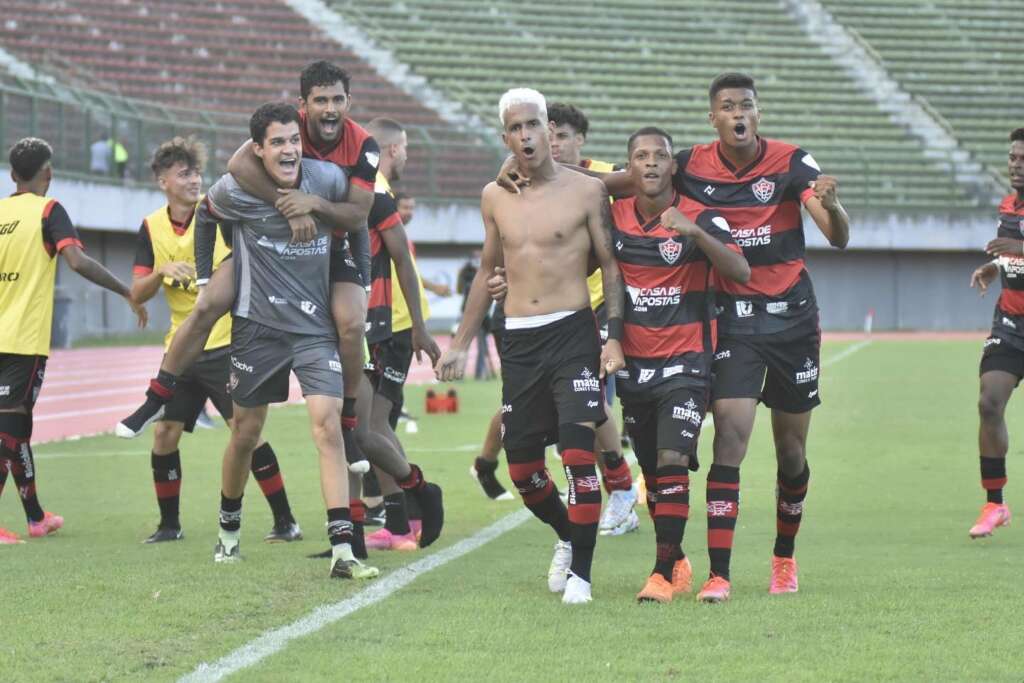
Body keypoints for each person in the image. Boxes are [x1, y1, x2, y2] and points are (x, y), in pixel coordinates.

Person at [497, 72, 851, 602]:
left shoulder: (794, 161)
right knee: (728, 437)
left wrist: (835, 205)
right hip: (735, 322)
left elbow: (836, 235)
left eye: (746, 106)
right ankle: (715, 572)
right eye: (727, 106)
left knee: (791, 452)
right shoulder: (686, 162)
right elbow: (616, 182)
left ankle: (783, 557)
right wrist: (528, 168)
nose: (738, 113)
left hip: (792, 319)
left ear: (758, 113)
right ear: (713, 117)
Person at [115, 61, 376, 480]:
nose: (330, 109)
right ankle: (155, 397)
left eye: (338, 100)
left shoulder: (362, 145)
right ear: (303, 105)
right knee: (207, 304)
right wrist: (284, 206)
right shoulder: (283, 131)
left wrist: (311, 208)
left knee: (351, 323)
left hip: (331, 245)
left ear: (350, 101)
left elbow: (358, 216)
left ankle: (347, 423)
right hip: (265, 249)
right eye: (320, 100)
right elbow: (236, 169)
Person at [436, 88, 625, 604]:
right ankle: (567, 534)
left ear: (550, 130)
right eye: (515, 129)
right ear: (506, 137)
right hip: (518, 339)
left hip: (572, 333)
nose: (525, 136)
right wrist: (457, 343)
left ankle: (582, 576)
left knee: (576, 455)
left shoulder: (587, 191)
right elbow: (487, 271)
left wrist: (612, 336)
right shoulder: (494, 196)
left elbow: (610, 266)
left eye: (533, 126)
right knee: (522, 469)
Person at [194, 102, 376, 579]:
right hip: (257, 328)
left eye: (294, 140)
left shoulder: (327, 180)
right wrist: (201, 277)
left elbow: (357, 221)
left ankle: (342, 552)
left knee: (328, 426)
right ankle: (228, 532)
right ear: (258, 149)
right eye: (277, 142)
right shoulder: (238, 189)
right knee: (245, 434)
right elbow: (205, 212)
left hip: (315, 329)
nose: (289, 149)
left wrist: (364, 281)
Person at [472, 104, 637, 536]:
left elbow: (638, 178)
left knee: (591, 407)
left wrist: (547, 171)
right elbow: (494, 262)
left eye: (561, 136)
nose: (555, 143)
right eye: (552, 135)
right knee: (535, 409)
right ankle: (491, 463)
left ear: (577, 140)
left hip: (593, 308)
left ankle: (617, 489)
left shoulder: (598, 176)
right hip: (531, 317)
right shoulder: (514, 184)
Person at [129, 136, 299, 544]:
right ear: (162, 181)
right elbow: (136, 293)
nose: (193, 180)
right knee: (164, 434)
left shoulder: (220, 212)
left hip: (227, 344)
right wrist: (161, 271)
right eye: (183, 174)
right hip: (183, 350)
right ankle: (170, 525)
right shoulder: (151, 227)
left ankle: (285, 520)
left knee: (247, 433)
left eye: (196, 173)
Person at [0, 137, 147, 545]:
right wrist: (125, 290)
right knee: (8, 431)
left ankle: (35, 517)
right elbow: (78, 261)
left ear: (13, 175)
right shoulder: (49, 210)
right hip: (21, 340)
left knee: (17, 429)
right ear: (48, 173)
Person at [357, 118, 444, 552]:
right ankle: (399, 518)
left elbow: (400, 264)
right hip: (384, 324)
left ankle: (405, 514)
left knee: (373, 426)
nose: (407, 155)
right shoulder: (373, 187)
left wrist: (416, 327)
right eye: (405, 148)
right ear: (391, 149)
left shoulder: (375, 191)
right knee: (373, 425)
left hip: (386, 326)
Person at [966, 127, 1024, 538]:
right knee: (989, 402)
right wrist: (996, 267)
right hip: (1011, 323)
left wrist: (1016, 250)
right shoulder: (1008, 205)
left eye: (1023, 160)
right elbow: (1012, 253)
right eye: (1013, 159)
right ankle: (995, 504)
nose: (1016, 166)